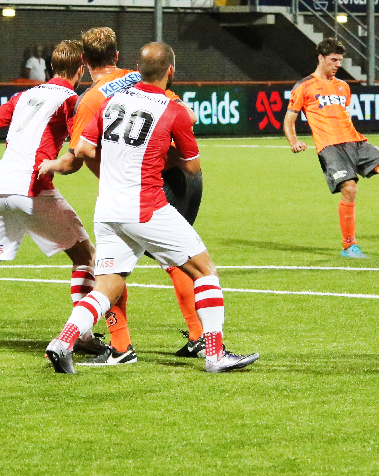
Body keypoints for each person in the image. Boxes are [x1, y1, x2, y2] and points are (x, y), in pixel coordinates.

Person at [40, 42, 258, 374]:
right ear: (171, 70)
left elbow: (83, 147)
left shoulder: (111, 101)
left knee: (108, 285)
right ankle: (214, 354)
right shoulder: (173, 110)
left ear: (139, 70)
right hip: (146, 207)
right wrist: (164, 156)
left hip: (107, 209)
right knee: (204, 271)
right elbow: (192, 167)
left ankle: (63, 341)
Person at [59, 26, 208, 364]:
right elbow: (188, 115)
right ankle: (198, 336)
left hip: (138, 189)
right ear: (116, 56)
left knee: (112, 268)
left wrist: (54, 164)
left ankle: (121, 345)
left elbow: (79, 154)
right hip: (180, 179)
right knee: (176, 259)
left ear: (83, 60)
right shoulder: (136, 77)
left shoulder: (91, 100)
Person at [0, 41, 103, 354]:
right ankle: (84, 337)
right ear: (80, 70)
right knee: (85, 255)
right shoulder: (70, 100)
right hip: (32, 187)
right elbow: (76, 156)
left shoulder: (24, 95)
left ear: (51, 68)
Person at [284, 38, 379, 258]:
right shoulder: (304, 86)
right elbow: (289, 120)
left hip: (355, 141)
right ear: (321, 58)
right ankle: (349, 246)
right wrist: (294, 141)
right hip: (330, 147)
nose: (338, 65)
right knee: (350, 189)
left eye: (340, 61)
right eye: (333, 60)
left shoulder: (343, 87)